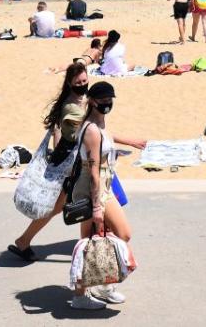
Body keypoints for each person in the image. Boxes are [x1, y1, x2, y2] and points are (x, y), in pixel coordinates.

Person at [8, 67, 146, 266]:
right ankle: (91, 257)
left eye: (84, 81)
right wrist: (130, 141)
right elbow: (92, 134)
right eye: (78, 83)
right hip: (74, 167)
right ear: (70, 83)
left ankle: (27, 241)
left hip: (82, 164)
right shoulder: (71, 108)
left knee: (64, 208)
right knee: (73, 207)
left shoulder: (82, 102)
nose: (82, 85)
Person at [70, 81, 145, 309]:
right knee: (113, 236)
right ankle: (82, 295)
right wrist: (96, 207)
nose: (107, 104)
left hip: (104, 185)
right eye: (103, 101)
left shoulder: (98, 122)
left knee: (96, 239)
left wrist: (130, 141)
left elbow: (107, 138)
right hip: (94, 190)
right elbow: (93, 171)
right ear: (92, 101)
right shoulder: (91, 129)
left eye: (110, 100)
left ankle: (100, 286)